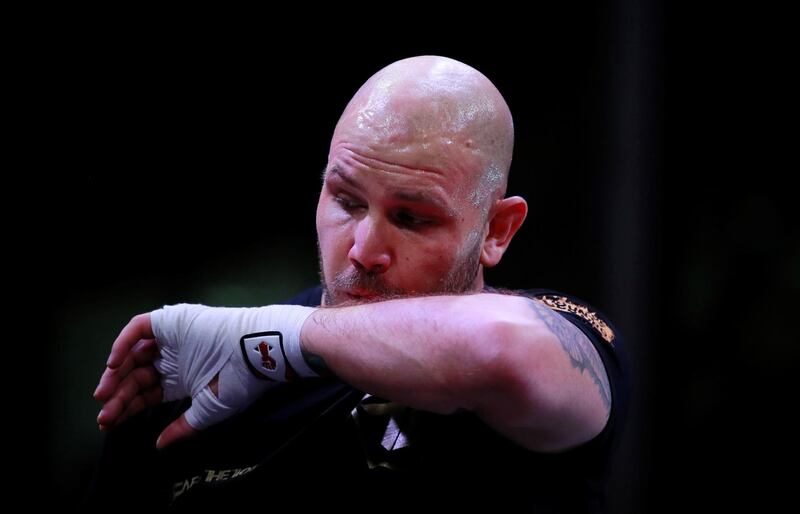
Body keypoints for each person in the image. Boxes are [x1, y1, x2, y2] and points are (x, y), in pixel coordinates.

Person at [88, 55, 629, 512]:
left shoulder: (559, 332)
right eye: (346, 201)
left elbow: (501, 349)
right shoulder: (200, 374)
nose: (364, 251)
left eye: (412, 218)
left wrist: (279, 338)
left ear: (496, 230)